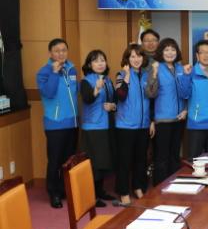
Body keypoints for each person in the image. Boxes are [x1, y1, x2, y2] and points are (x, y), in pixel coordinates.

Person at [37, 38, 79, 208]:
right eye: (57, 51)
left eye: (64, 50)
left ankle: (65, 190)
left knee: (69, 161)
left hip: (72, 123)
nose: (61, 53)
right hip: (55, 124)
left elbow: (75, 92)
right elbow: (48, 93)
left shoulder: (72, 69)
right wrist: (54, 73)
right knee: (55, 160)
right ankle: (53, 193)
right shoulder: (44, 72)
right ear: (50, 53)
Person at [114, 44, 152, 205]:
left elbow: (152, 99)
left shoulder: (147, 76)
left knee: (140, 159)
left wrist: (151, 121)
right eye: (132, 56)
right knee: (124, 161)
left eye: (139, 56)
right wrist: (127, 76)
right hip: (125, 125)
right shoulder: (121, 74)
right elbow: (121, 95)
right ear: (127, 59)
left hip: (143, 125)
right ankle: (123, 191)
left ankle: (138, 187)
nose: (136, 59)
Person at [146, 38, 187, 185]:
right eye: (166, 50)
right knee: (161, 157)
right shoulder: (156, 67)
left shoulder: (181, 68)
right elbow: (150, 93)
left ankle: (173, 187)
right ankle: (160, 189)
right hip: (162, 120)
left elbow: (186, 92)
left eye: (173, 49)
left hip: (179, 119)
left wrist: (186, 110)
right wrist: (155, 73)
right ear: (161, 52)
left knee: (175, 156)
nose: (170, 53)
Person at [79, 50, 117, 207]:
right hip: (93, 127)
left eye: (102, 60)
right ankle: (91, 197)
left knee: (103, 161)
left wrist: (113, 106)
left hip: (107, 125)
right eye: (96, 61)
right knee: (93, 163)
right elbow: (87, 99)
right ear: (89, 64)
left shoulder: (108, 80)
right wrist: (96, 89)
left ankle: (100, 191)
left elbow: (114, 100)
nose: (100, 63)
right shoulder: (86, 81)